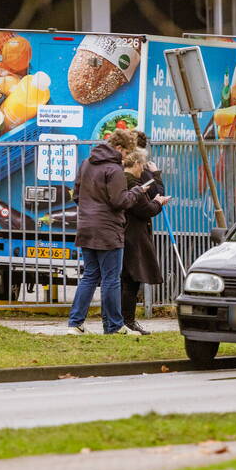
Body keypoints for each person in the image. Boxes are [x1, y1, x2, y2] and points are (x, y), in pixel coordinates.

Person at [66, 129, 150, 336]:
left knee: (89, 277)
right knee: (111, 279)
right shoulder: (114, 169)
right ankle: (114, 326)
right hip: (108, 229)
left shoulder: (86, 163)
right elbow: (120, 201)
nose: (125, 157)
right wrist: (138, 191)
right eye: (125, 152)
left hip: (85, 226)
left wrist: (90, 208)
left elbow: (77, 195)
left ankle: (75, 323)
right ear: (119, 148)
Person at [121, 148, 171, 334]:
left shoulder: (123, 179)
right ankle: (127, 321)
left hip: (127, 234)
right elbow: (146, 208)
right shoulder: (132, 182)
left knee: (126, 279)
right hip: (133, 235)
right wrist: (158, 202)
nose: (142, 169)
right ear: (135, 164)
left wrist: (155, 195)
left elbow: (152, 194)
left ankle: (123, 321)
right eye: (141, 165)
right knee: (131, 280)